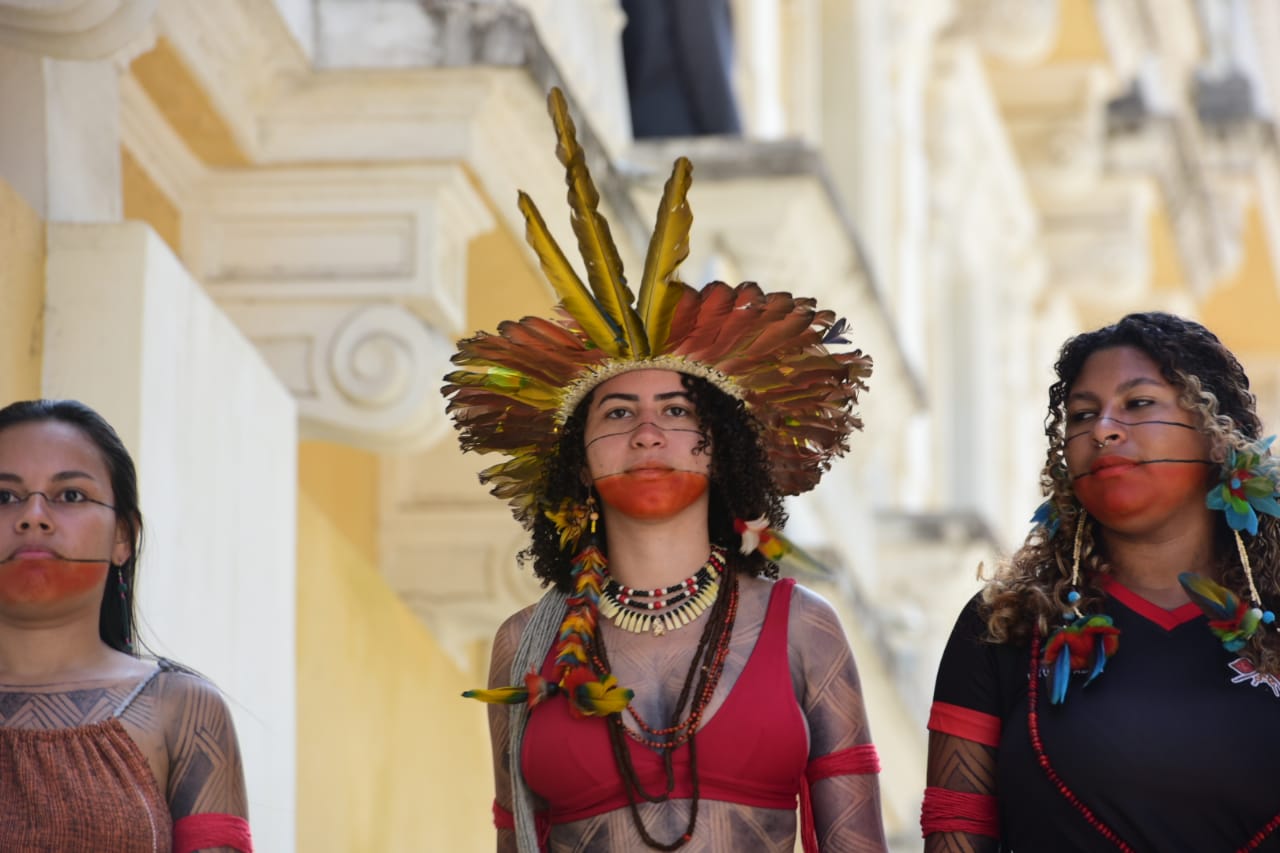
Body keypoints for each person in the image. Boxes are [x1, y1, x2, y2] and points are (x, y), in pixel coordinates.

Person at [443, 88, 888, 851]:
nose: (648, 429)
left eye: (680, 411)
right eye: (616, 413)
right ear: (576, 464)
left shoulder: (804, 628)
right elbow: (517, 838)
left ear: (722, 450)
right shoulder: (524, 644)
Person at [923, 312, 1280, 852]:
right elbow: (955, 826)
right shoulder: (1005, 625)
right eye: (1082, 414)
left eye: (1138, 404)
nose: (1103, 428)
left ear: (1217, 436)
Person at [0, 399, 253, 853]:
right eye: (4, 497)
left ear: (123, 537)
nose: (32, 515)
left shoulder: (179, 710)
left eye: (70, 496)